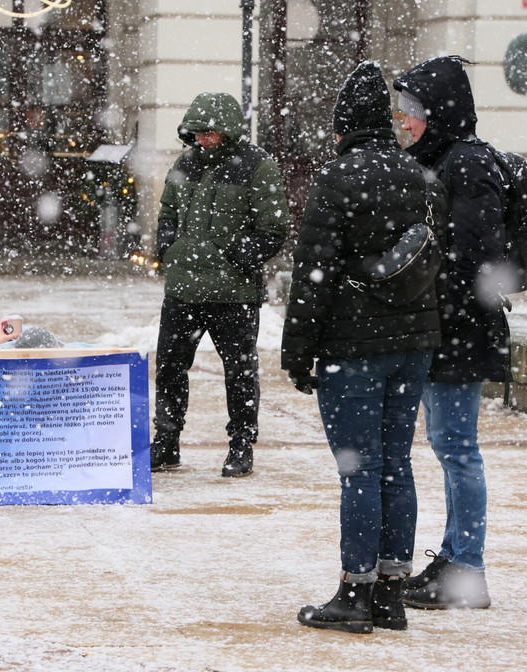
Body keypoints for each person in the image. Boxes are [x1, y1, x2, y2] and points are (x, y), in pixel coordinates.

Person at [282, 61, 445, 633]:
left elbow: (314, 272)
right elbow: (434, 262)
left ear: (343, 125)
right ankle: (390, 593)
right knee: (396, 464)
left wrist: (297, 350)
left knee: (361, 469)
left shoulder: (337, 178)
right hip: (414, 342)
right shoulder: (421, 177)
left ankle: (355, 591)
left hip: (353, 346)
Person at [392, 55, 507, 610]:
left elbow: (475, 255)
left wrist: (428, 282)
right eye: (401, 111)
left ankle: (467, 569)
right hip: (444, 328)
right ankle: (455, 557)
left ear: (438, 113)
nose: (403, 121)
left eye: (411, 111)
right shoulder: (442, 159)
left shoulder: (466, 164)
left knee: (458, 450)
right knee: (447, 446)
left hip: (459, 330)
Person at [151, 92, 289, 477]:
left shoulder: (257, 166)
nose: (202, 140)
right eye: (196, 133)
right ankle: (166, 443)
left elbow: (274, 228)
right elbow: (166, 212)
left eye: (209, 133)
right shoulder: (185, 162)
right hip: (182, 290)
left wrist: (234, 259)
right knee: (170, 368)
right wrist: (169, 249)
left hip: (234, 295)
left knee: (240, 372)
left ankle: (241, 446)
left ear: (227, 131)